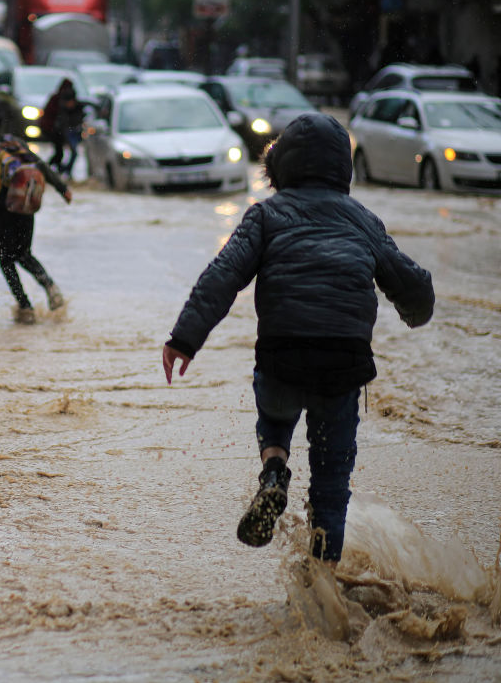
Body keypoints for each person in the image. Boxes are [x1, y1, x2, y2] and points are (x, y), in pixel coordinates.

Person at [161, 112, 435, 566]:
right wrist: (416, 314)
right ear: (342, 167)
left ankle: (273, 468)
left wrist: (184, 339)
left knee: (274, 408)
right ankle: (322, 589)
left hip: (282, 357)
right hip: (343, 364)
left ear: (282, 164)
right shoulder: (364, 220)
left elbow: (222, 276)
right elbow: (414, 288)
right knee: (331, 487)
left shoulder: (266, 215)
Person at [0, 99, 72, 325]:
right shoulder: (15, 142)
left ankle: (26, 308)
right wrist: (62, 188)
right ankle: (50, 286)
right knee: (24, 253)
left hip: (2, 211)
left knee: (6, 260)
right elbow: (42, 166)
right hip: (26, 206)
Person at [41, 78, 88, 177]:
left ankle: (53, 170)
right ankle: (49, 169)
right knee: (60, 153)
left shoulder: (60, 100)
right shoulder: (59, 101)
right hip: (56, 130)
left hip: (58, 130)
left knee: (62, 153)